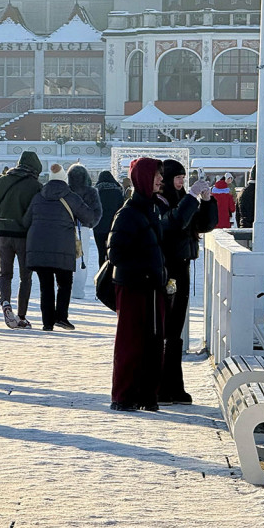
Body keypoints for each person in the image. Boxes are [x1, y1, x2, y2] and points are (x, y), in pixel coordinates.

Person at [107, 158, 168, 412]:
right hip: (134, 287)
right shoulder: (129, 213)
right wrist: (145, 268)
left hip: (151, 287)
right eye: (156, 175)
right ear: (143, 178)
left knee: (153, 341)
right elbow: (115, 253)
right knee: (130, 341)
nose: (160, 180)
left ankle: (146, 395)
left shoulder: (152, 208)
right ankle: (123, 396)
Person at [156, 160, 216, 405]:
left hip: (182, 265)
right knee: (166, 327)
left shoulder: (183, 200)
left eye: (183, 177)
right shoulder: (160, 202)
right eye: (177, 178)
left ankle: (175, 386)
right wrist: (191, 197)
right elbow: (174, 222)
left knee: (176, 330)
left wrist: (208, 201)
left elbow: (204, 225)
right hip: (166, 267)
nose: (181, 182)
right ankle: (162, 386)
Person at [22, 164, 98, 331]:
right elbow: (90, 218)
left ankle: (47, 322)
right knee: (64, 284)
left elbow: (25, 221)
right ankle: (61, 318)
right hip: (63, 247)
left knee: (45, 286)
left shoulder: (38, 197)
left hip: (38, 247)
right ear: (65, 179)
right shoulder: (71, 197)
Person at [0, 151, 43, 329]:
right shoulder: (35, 185)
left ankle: (6, 303)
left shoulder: (1, 181)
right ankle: (22, 315)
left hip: (2, 233)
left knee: (5, 273)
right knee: (26, 276)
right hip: (25, 236)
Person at [67, 164, 102, 300]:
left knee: (67, 257)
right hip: (84, 228)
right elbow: (98, 211)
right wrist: (90, 224)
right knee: (82, 258)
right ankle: (78, 290)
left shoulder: (66, 191)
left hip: (66, 227)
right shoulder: (91, 192)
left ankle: (66, 287)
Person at [93, 171, 125, 267]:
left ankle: (101, 272)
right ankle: (111, 272)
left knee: (101, 252)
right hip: (113, 226)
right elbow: (121, 208)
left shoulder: (95, 192)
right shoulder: (118, 191)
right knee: (112, 251)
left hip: (98, 226)